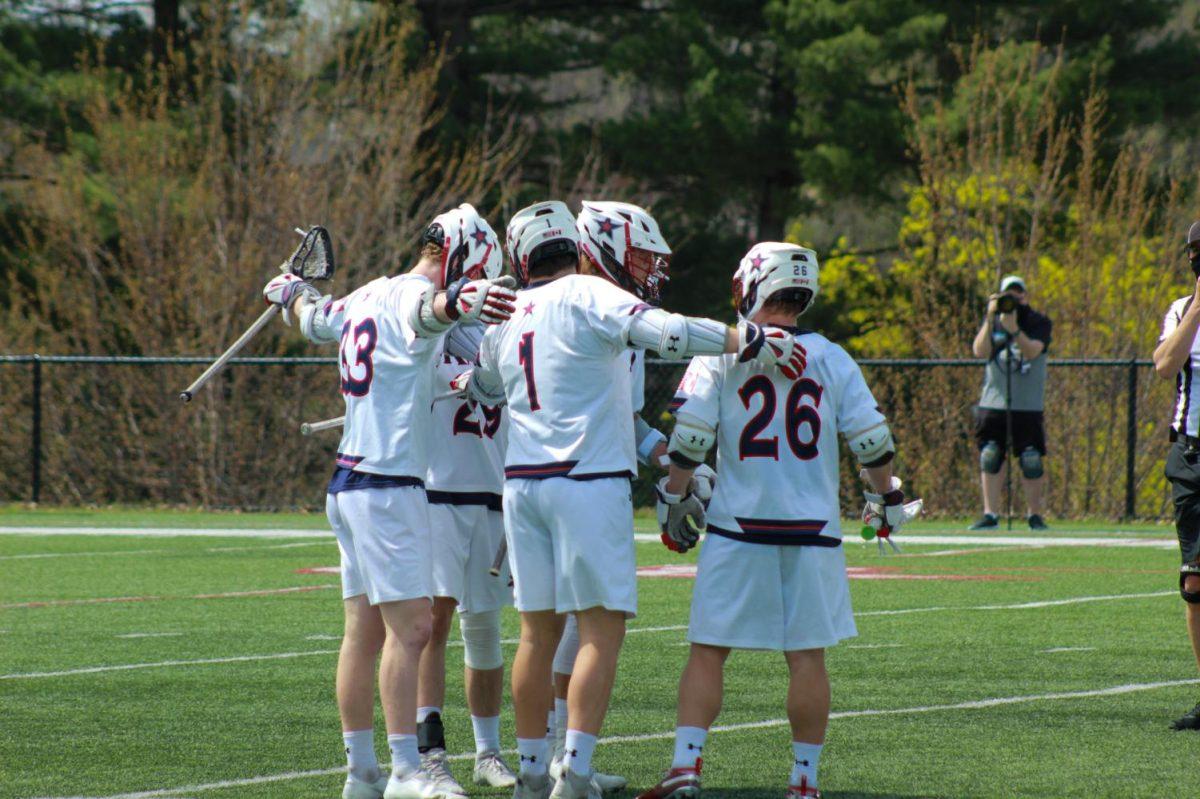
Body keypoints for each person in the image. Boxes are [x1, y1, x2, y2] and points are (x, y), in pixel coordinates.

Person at [461, 200, 806, 799]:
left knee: (535, 635)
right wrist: (749, 339)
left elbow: (487, 388)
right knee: (600, 630)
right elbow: (672, 332)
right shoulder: (590, 295)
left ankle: (533, 773)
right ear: (576, 244)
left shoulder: (507, 316)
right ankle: (577, 772)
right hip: (586, 483)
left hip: (523, 486)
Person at [637, 242, 911, 799]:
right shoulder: (832, 356)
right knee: (806, 655)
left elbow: (690, 437)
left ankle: (687, 765)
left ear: (753, 285)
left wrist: (674, 493)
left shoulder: (723, 351)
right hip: (812, 531)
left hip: (740, 527)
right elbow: (873, 441)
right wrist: (891, 496)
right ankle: (804, 779)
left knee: (709, 648)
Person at [262, 204, 516, 799]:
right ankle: (405, 768)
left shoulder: (364, 296)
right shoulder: (411, 297)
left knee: (362, 633)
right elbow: (434, 310)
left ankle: (362, 773)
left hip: (348, 482)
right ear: (457, 263)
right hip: (389, 484)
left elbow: (313, 319)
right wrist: (463, 304)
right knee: (414, 630)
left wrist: (289, 291)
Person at [544, 200, 677, 794]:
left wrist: (675, 465)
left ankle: (552, 758)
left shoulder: (623, 321)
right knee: (571, 622)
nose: (651, 269)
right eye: (643, 256)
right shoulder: (580, 305)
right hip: (573, 478)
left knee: (574, 621)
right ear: (605, 247)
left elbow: (628, 416)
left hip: (572, 477)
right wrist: (742, 340)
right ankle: (550, 759)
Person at [415, 320, 517, 795]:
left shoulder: (504, 335)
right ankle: (429, 754)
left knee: (484, 625)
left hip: (492, 493)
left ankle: (487, 752)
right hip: (440, 495)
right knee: (433, 624)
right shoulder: (428, 333)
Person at [1152, 220, 1200, 731]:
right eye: (1194, 252)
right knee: (1195, 582)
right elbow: (1165, 366)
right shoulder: (1180, 310)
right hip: (1191, 456)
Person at [968, 274, 1053, 530]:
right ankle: (990, 514)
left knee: (1031, 459)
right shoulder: (993, 323)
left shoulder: (1038, 322)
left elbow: (1032, 351)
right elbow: (979, 352)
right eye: (1008, 294)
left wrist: (1015, 328)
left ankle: (1034, 515)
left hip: (1027, 404)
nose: (1012, 299)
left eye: (1017, 294)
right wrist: (989, 317)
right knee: (990, 455)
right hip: (994, 402)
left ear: (1024, 296)